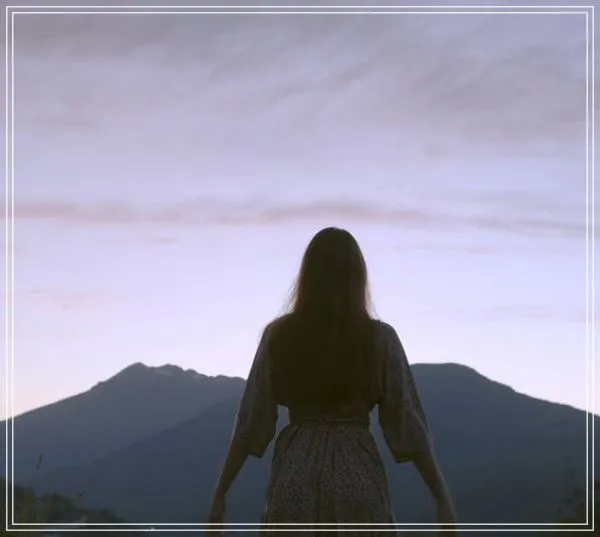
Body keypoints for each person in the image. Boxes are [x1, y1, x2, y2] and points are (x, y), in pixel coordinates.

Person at [207, 227, 457, 536]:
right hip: (357, 474)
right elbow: (406, 422)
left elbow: (251, 422)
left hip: (295, 475)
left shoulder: (280, 337)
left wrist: (221, 492)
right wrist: (440, 495)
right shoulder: (379, 340)